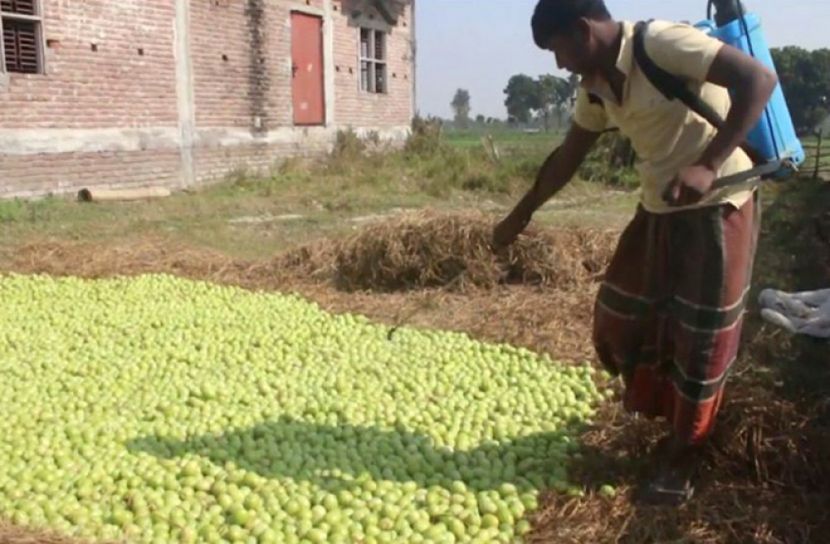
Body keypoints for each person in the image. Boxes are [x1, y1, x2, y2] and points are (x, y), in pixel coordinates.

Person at [492, 0, 778, 505]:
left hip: (717, 203)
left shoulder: (661, 44)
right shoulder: (597, 88)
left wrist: (708, 165)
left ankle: (683, 459)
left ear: (583, 30)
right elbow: (567, 158)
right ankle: (666, 417)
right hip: (659, 208)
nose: (559, 65)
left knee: (700, 338)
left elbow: (758, 81)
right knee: (622, 320)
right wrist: (521, 214)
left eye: (558, 50)